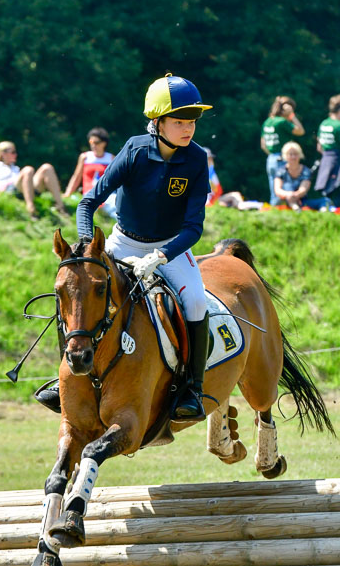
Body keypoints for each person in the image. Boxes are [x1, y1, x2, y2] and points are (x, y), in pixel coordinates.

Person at [37, 73, 213, 421]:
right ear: (157, 122)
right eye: (179, 121)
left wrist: (161, 256)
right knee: (79, 291)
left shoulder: (196, 159)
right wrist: (88, 247)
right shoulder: (134, 151)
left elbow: (194, 228)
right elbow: (87, 203)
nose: (188, 129)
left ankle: (193, 387)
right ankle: (66, 376)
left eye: (192, 121)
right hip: (122, 242)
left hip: (170, 247)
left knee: (195, 301)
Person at [0, 141, 66, 218]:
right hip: (9, 190)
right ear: (3, 154)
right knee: (28, 169)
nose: (16, 155)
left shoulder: (15, 168)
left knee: (47, 167)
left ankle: (60, 205)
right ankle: (31, 208)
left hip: (24, 188)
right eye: (13, 152)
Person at [260, 96, 305, 205]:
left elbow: (263, 145)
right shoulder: (282, 122)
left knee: (274, 190)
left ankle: (274, 210)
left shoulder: (268, 122)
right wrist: (292, 116)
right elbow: (300, 131)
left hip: (271, 159)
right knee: (285, 189)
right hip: (283, 159)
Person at [64, 127, 117, 218]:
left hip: (107, 194)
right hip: (89, 193)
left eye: (96, 142)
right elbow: (76, 177)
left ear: (104, 143)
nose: (93, 145)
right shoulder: (85, 157)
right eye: (91, 142)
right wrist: (68, 193)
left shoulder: (111, 158)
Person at [273, 142, 312, 210]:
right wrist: (288, 194)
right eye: (290, 154)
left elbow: (303, 189)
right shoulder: (280, 171)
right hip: (283, 200)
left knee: (325, 201)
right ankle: (294, 206)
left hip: (301, 200)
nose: (293, 157)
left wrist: (294, 195)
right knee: (287, 186)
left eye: (295, 154)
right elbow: (277, 190)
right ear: (285, 156)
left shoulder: (306, 171)